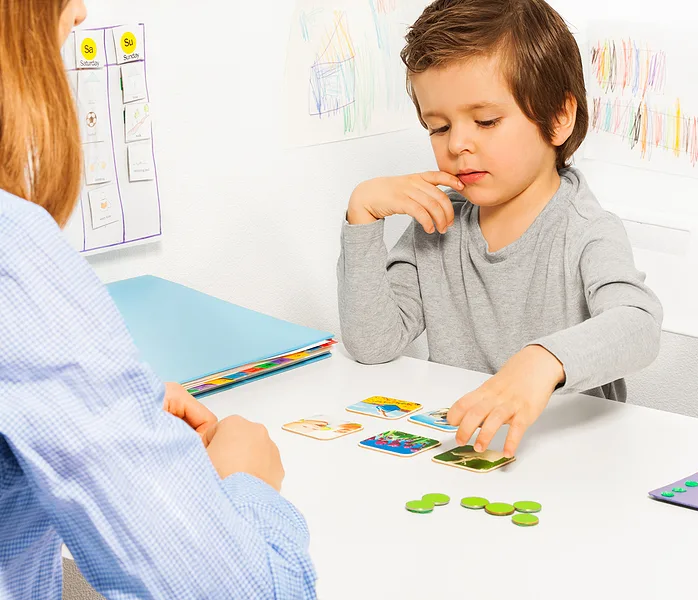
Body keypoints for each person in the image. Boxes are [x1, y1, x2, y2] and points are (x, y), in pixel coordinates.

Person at [0, 2, 316, 598]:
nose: (81, 11)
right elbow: (243, 591)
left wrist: (113, 405)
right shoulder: (14, 250)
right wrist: (244, 478)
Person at [337, 0, 663, 458]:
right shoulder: (437, 223)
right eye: (439, 127)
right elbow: (373, 344)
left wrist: (541, 361)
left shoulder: (587, 229)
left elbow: (639, 325)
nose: (457, 143)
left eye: (486, 121)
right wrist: (362, 217)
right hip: (471, 452)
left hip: (569, 458)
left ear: (558, 118)